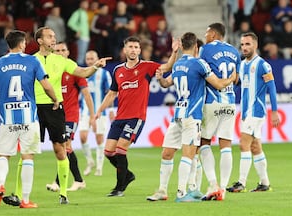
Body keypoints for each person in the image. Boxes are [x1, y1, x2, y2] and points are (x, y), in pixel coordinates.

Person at [146, 34, 236, 202]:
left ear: (182, 47)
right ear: (196, 47)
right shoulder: (199, 63)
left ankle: (174, 190)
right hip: (191, 116)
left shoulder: (178, 64)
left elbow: (165, 84)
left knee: (167, 153)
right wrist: (231, 78)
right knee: (188, 155)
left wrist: (159, 79)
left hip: (179, 116)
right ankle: (176, 193)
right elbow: (217, 84)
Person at [33, 26, 111, 204]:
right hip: (37, 110)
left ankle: (66, 187)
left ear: (67, 52)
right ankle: (23, 194)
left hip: (65, 114)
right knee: (30, 152)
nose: (54, 41)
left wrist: (96, 66)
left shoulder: (65, 64)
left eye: (57, 39)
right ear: (40, 40)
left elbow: (84, 77)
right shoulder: (33, 61)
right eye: (50, 37)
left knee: (64, 147)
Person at [0, 30, 59, 209]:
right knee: (27, 157)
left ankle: (0, 185)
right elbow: (46, 86)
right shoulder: (33, 61)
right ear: (21, 44)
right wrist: (55, 99)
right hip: (28, 118)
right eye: (24, 42)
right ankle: (25, 200)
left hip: (6, 118)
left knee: (4, 156)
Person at [95, 36, 178, 197]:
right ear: (125, 50)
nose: (133, 50)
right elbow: (112, 94)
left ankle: (119, 187)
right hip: (120, 118)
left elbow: (167, 66)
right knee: (108, 152)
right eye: (130, 47)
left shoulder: (147, 67)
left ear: (140, 50)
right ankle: (128, 175)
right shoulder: (117, 70)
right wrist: (99, 110)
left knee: (120, 151)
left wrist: (174, 52)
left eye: (136, 47)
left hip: (136, 117)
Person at [227, 32, 280, 193]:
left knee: (244, 144)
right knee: (255, 147)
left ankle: (241, 183)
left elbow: (271, 87)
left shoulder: (263, 65)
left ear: (255, 45)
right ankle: (264, 183)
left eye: (248, 44)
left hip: (256, 111)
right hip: (245, 112)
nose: (244, 47)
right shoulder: (242, 65)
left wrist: (274, 111)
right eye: (242, 44)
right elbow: (241, 85)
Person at [198, 22, 241, 201]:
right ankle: (223, 188)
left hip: (212, 101)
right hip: (230, 102)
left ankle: (213, 184)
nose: (206, 35)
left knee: (204, 142)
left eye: (207, 33)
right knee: (226, 145)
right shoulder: (235, 51)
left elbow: (201, 72)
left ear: (214, 34)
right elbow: (236, 79)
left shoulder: (205, 50)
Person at [45, 42, 96, 192]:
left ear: (68, 52)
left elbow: (86, 94)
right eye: (57, 50)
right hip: (55, 115)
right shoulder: (50, 70)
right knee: (63, 147)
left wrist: (92, 115)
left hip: (71, 115)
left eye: (63, 50)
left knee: (65, 145)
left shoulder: (74, 70)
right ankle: (78, 180)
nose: (60, 52)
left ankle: (58, 182)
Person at [79, 50, 114, 176]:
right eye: (87, 59)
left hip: (100, 112)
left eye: (92, 58)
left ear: (97, 58)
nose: (90, 61)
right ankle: (90, 162)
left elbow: (110, 92)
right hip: (85, 111)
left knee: (99, 138)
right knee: (82, 137)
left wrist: (110, 110)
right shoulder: (82, 73)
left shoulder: (104, 74)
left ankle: (99, 167)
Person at [67, 0, 90, 65]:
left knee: (84, 56)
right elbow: (70, 23)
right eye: (84, 3)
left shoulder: (85, 13)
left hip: (86, 37)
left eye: (87, 3)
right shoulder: (77, 13)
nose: (86, 5)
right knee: (80, 55)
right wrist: (78, 30)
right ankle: (79, 73)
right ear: (81, 4)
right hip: (82, 37)